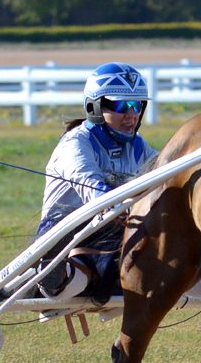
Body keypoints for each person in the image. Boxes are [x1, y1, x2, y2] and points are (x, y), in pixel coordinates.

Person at [35, 61, 157, 304]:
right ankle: (52, 275)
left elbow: (163, 176)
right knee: (90, 276)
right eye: (122, 105)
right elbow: (94, 191)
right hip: (65, 232)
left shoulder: (138, 146)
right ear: (95, 106)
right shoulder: (76, 144)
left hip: (115, 231)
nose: (131, 114)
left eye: (137, 105)